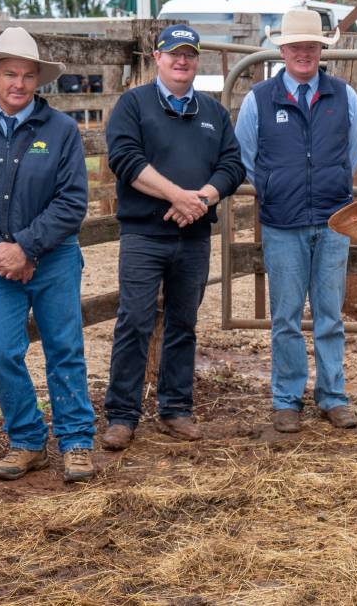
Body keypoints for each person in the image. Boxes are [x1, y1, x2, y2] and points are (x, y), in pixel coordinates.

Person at [0, 27, 96, 483]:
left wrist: (26, 247)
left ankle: (76, 442)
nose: (19, 84)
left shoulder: (62, 130)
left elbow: (72, 200)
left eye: (28, 76)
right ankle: (29, 439)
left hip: (54, 258)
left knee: (64, 348)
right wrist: (0, 253)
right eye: (10, 73)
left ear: (38, 81)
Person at [100, 24, 246, 450]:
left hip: (194, 235)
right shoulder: (134, 105)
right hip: (145, 234)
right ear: (157, 58)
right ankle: (122, 415)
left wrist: (204, 196)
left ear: (196, 61)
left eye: (189, 54)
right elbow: (125, 159)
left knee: (184, 323)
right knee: (135, 321)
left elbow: (233, 165)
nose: (181, 61)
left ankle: (176, 409)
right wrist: (177, 196)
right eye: (173, 54)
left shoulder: (213, 112)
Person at [235, 7, 357, 433]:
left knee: (330, 314)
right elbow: (246, 157)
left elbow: (356, 149)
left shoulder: (343, 95)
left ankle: (333, 395)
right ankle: (286, 398)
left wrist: (328, 182)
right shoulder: (260, 99)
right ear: (283, 50)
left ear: (320, 50)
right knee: (286, 315)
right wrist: (276, 185)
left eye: (311, 46)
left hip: (332, 220)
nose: (304, 53)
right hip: (282, 221)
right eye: (296, 46)